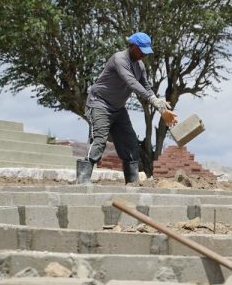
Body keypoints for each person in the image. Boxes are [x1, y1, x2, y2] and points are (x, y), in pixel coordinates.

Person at [76, 32, 177, 184]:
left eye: (146, 52)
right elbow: (131, 82)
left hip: (118, 109)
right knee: (99, 141)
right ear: (133, 46)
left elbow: (146, 87)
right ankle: (82, 181)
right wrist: (154, 101)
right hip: (100, 104)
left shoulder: (140, 66)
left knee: (130, 145)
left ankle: (132, 183)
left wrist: (162, 109)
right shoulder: (119, 59)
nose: (144, 55)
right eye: (141, 50)